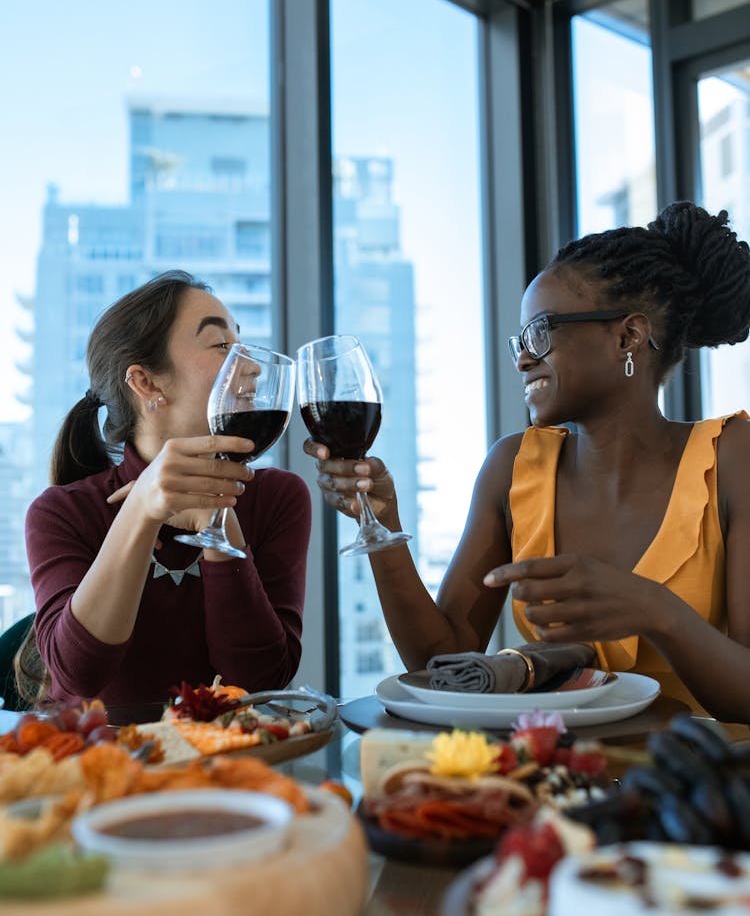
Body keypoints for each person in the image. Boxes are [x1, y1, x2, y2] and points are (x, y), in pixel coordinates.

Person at [304, 202, 750, 721]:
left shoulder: (733, 457)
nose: (522, 357)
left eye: (541, 332)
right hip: (551, 783)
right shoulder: (513, 467)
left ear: (628, 336)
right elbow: (440, 662)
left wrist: (656, 611)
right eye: (520, 340)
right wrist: (381, 527)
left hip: (700, 789)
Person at [21, 270, 311, 708]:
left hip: (229, 767)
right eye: (221, 346)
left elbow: (261, 682)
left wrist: (218, 519)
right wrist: (141, 508)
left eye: (242, 345)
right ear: (146, 383)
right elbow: (79, 674)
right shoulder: (61, 513)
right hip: (103, 768)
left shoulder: (277, 498)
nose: (250, 368)